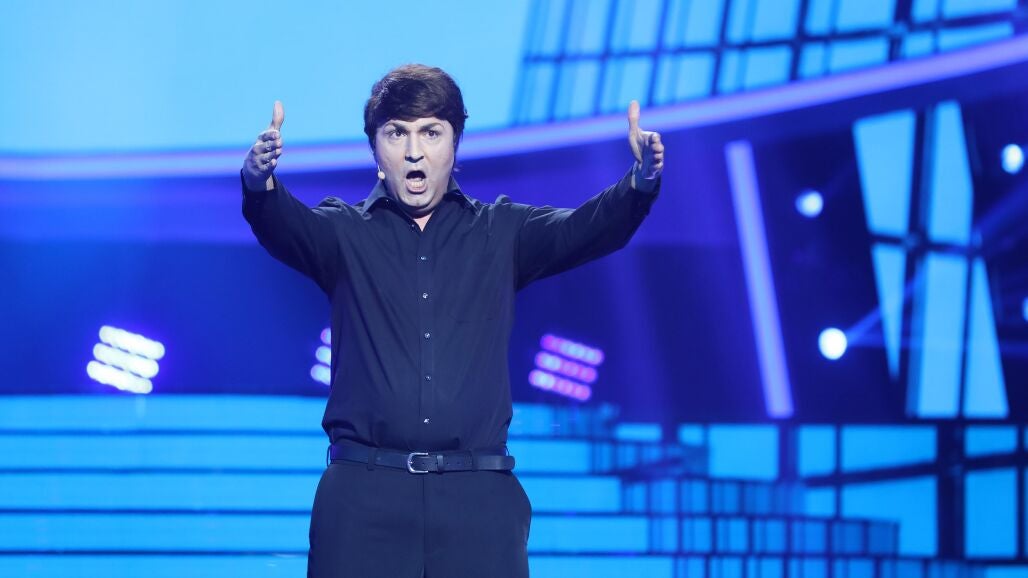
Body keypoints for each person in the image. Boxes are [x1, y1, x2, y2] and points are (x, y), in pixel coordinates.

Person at [241, 64, 664, 578]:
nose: (413, 151)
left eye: (431, 133)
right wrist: (259, 181)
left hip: (477, 502)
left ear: (455, 145)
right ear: (375, 150)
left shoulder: (501, 231)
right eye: (396, 133)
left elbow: (585, 229)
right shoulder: (343, 232)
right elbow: (282, 222)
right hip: (363, 500)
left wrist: (639, 183)